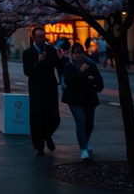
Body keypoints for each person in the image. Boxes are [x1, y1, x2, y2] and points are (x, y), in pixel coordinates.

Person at [22, 27, 62, 156]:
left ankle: (47, 134)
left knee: (54, 116)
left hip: (50, 87)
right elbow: (27, 71)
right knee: (37, 117)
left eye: (43, 35)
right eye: (39, 36)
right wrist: (37, 63)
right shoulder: (28, 52)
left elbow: (57, 65)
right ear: (34, 37)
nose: (42, 38)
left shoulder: (50, 50)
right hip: (36, 88)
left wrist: (60, 58)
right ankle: (39, 146)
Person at [62, 43, 104, 160]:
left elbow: (99, 81)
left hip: (90, 98)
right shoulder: (69, 66)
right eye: (75, 53)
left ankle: (85, 141)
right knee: (81, 122)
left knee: (89, 124)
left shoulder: (91, 64)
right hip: (74, 99)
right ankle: (83, 148)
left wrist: (95, 84)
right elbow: (69, 81)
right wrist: (80, 72)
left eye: (80, 52)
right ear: (72, 54)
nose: (78, 55)